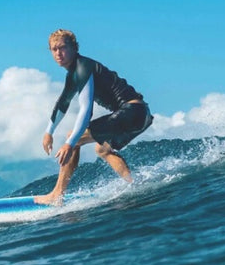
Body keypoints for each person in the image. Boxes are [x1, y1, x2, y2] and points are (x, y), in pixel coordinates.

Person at [34, 29, 153, 205]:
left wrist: (70, 143)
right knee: (102, 149)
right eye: (54, 49)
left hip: (132, 111)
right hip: (140, 113)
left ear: (74, 48)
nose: (58, 53)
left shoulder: (83, 67)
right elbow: (63, 103)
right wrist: (48, 132)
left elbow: (85, 109)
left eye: (62, 48)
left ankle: (57, 195)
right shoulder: (74, 73)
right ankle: (133, 185)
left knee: (72, 137)